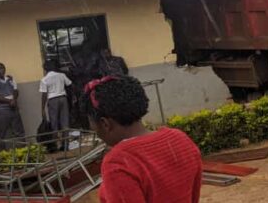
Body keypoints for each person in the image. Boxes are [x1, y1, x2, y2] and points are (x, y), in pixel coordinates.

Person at [81, 75, 202, 203]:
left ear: (105, 124)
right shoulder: (180, 139)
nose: (93, 129)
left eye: (91, 123)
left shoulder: (118, 162)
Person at [0, 63, 25, 150]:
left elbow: (15, 90)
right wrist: (10, 101)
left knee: (19, 131)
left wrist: (14, 100)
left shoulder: (10, 79)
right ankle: (4, 155)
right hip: (2, 109)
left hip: (14, 107)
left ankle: (22, 152)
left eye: (2, 68)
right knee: (2, 134)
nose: (1, 70)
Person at [39, 59, 72, 149]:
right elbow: (69, 84)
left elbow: (44, 94)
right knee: (65, 122)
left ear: (45, 69)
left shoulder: (44, 79)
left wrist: (42, 108)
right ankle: (65, 145)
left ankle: (55, 145)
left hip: (52, 100)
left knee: (54, 123)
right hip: (63, 98)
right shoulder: (61, 75)